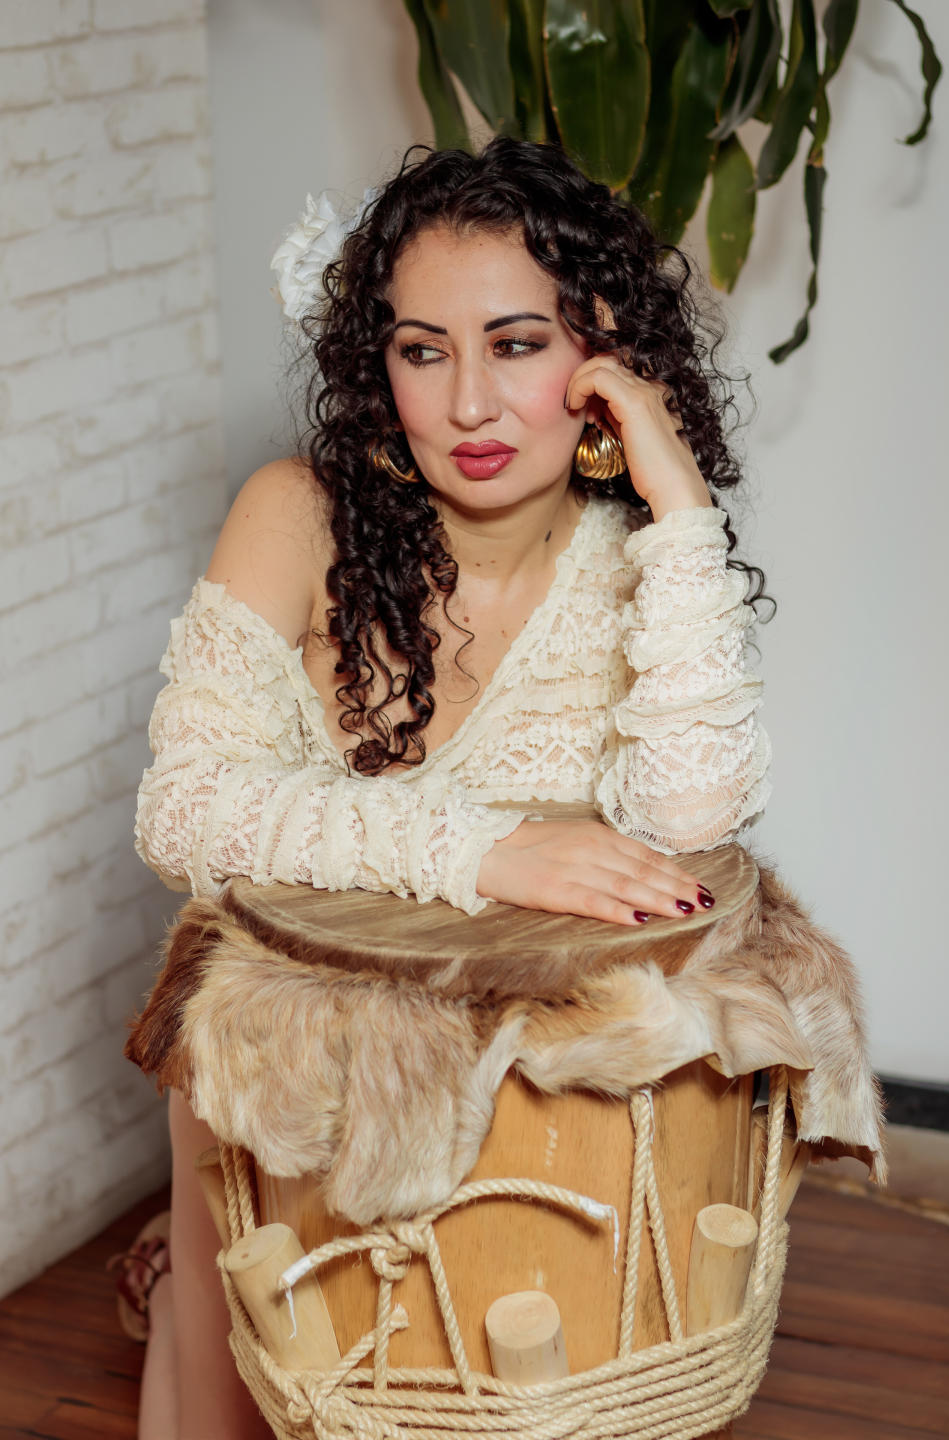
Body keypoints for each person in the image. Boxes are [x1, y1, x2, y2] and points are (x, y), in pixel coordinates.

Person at [125, 136, 772, 1439]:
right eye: (423, 351)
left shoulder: (632, 558)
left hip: (522, 1093)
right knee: (245, 1392)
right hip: (281, 1060)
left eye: (516, 345)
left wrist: (679, 500)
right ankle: (184, 1284)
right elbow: (182, 810)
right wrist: (484, 850)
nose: (469, 403)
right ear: (381, 367)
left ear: (601, 354)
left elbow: (694, 819)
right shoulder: (298, 513)